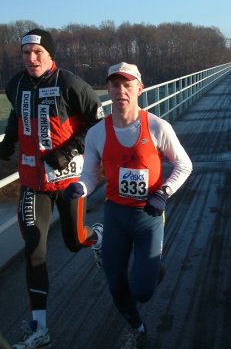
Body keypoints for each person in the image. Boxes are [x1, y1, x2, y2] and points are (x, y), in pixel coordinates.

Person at [64, 62, 192, 349]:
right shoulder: (98, 133)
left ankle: (152, 269)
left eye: (127, 85)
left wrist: (164, 193)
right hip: (116, 216)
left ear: (139, 89)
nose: (121, 91)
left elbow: (184, 164)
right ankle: (137, 325)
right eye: (115, 85)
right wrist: (81, 187)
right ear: (107, 89)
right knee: (115, 283)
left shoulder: (158, 127)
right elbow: (89, 174)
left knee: (143, 291)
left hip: (148, 215)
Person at [0, 29, 104, 349]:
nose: (31, 59)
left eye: (37, 53)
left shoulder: (70, 84)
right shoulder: (15, 84)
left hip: (69, 180)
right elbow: (17, 114)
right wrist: (7, 143)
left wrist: (69, 151)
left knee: (74, 242)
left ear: (50, 55)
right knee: (35, 249)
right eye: (25, 53)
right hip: (32, 183)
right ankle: (40, 329)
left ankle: (97, 236)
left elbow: (97, 123)